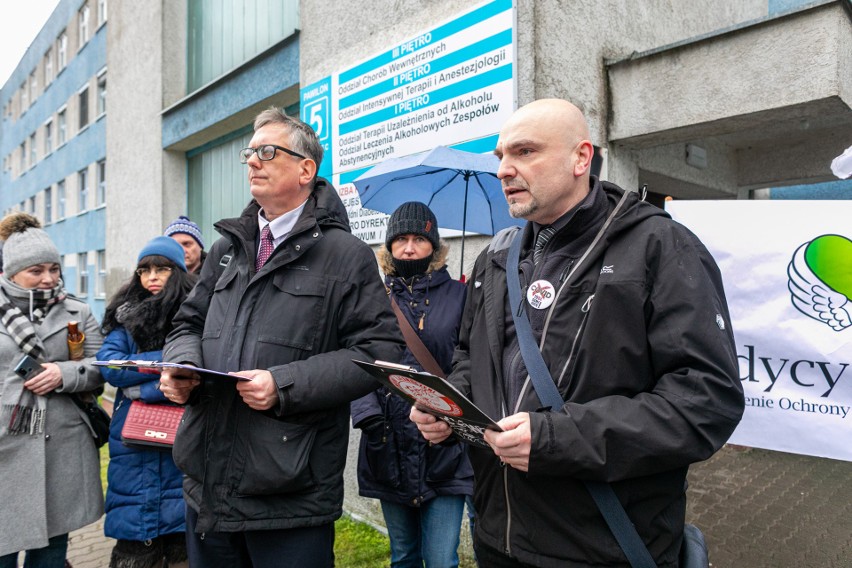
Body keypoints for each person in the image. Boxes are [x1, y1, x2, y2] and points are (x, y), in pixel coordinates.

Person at [411, 99, 745, 567]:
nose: (504, 169)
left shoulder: (659, 247)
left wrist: (555, 438)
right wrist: (451, 410)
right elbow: (473, 361)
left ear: (580, 158)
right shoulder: (496, 259)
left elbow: (706, 401)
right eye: (500, 156)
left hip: (602, 546)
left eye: (524, 152)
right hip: (495, 535)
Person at [158, 107, 404, 568]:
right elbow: (187, 324)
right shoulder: (226, 249)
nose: (253, 161)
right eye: (249, 153)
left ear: (306, 169)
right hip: (208, 483)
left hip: (288, 493)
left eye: (267, 152)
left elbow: (378, 352)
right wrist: (182, 365)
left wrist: (283, 385)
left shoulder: (346, 256)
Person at [351, 201, 473, 568]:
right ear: (388, 246)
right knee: (403, 557)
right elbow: (357, 357)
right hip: (387, 442)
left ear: (434, 245)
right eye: (400, 239)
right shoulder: (372, 298)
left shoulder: (461, 296)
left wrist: (452, 414)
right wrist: (368, 415)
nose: (408, 247)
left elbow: (471, 360)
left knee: (441, 560)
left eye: (418, 239)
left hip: (445, 445)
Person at [0, 213, 105, 568]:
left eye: (54, 269)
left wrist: (63, 373)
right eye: (36, 271)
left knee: (52, 551)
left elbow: (100, 366)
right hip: (6, 445)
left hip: (60, 446)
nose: (48, 279)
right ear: (11, 272)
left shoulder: (77, 310)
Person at [97, 236, 197, 568]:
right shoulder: (126, 316)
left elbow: (200, 368)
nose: (151, 276)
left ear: (178, 272)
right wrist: (166, 365)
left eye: (161, 268)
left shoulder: (195, 316)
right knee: (138, 536)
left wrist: (141, 387)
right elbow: (111, 365)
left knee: (183, 535)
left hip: (181, 435)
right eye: (144, 270)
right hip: (133, 443)